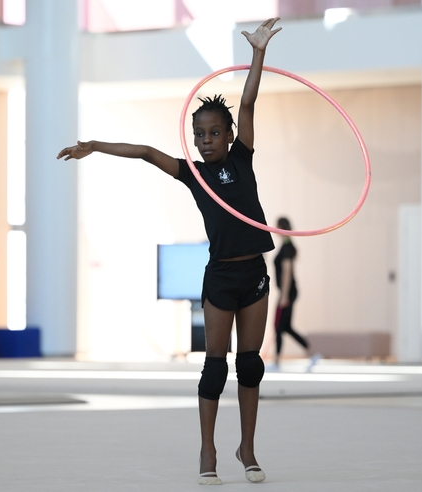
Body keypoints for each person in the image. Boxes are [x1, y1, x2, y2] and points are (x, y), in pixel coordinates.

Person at [57, 17, 282, 485]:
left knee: (251, 364)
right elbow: (143, 151)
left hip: (255, 275)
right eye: (199, 134)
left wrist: (258, 51)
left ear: (229, 133)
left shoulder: (243, 155)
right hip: (221, 277)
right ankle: (208, 450)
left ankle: (248, 447)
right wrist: (94, 145)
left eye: (214, 133)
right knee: (214, 368)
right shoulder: (193, 174)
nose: (205, 140)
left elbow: (249, 100)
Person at [272, 217, 313, 368]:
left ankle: (277, 360)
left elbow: (287, 272)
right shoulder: (286, 245)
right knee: (285, 326)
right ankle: (310, 349)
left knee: (279, 326)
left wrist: (284, 296)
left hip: (288, 292)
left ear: (281, 227)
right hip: (287, 291)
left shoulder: (287, 247)